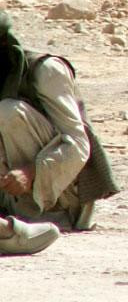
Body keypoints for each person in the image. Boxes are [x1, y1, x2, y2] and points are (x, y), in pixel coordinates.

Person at [0, 12, 119, 238]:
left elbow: (78, 145)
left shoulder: (46, 70)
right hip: (10, 191)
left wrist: (30, 172)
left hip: (63, 194)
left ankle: (39, 216)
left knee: (7, 111)